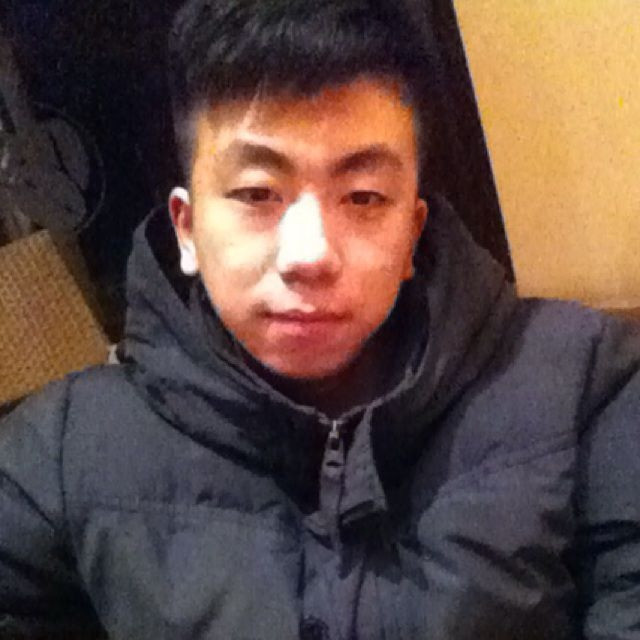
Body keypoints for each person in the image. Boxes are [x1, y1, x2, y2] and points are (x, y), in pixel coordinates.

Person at [1, 0, 639, 638]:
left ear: (413, 232)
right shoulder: (62, 452)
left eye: (363, 197)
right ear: (186, 229)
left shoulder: (587, 386)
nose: (309, 255)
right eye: (257, 193)